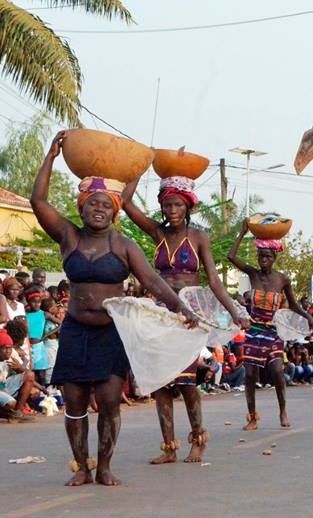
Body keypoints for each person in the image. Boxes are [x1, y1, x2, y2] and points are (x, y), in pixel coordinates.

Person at [30, 131, 197, 486]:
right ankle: (83, 468)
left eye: (107, 204)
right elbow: (38, 201)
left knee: (108, 402)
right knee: (74, 403)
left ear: (115, 212)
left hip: (110, 332)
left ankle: (104, 466)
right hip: (75, 330)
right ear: (83, 207)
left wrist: (184, 309)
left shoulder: (124, 246)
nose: (100, 209)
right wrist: (51, 156)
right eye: (93, 203)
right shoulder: (68, 236)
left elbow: (153, 282)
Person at [122, 173, 248, 463]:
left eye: (178, 205)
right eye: (167, 206)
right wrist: (138, 169)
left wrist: (235, 312)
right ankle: (169, 447)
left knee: (187, 382)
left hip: (189, 316)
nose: (172, 211)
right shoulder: (158, 234)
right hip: (163, 315)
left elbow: (215, 282)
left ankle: (198, 438)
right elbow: (125, 202)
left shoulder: (199, 238)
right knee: (162, 383)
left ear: (188, 207)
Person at [228, 220, 313, 431]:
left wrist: (309, 318)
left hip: (273, 330)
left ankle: (282, 410)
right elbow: (231, 257)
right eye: (261, 256)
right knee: (249, 375)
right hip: (254, 330)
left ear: (274, 258)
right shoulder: (253, 274)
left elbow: (293, 305)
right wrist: (242, 233)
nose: (263, 260)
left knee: (277, 371)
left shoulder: (282, 280)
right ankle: (252, 417)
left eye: (267, 257)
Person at [0, 324, 36, 422]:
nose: (8, 351)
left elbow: (26, 372)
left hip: (4, 387)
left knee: (30, 376)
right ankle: (10, 414)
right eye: (5, 348)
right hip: (1, 389)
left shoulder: (11, 356)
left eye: (10, 348)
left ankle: (18, 413)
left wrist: (20, 368)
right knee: (11, 404)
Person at [23, 286, 49, 387]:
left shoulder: (44, 314)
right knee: (31, 371)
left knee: (41, 373)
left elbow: (61, 324)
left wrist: (46, 335)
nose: (36, 304)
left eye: (38, 302)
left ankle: (45, 393)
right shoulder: (25, 314)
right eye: (33, 302)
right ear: (29, 302)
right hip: (28, 346)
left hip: (39, 346)